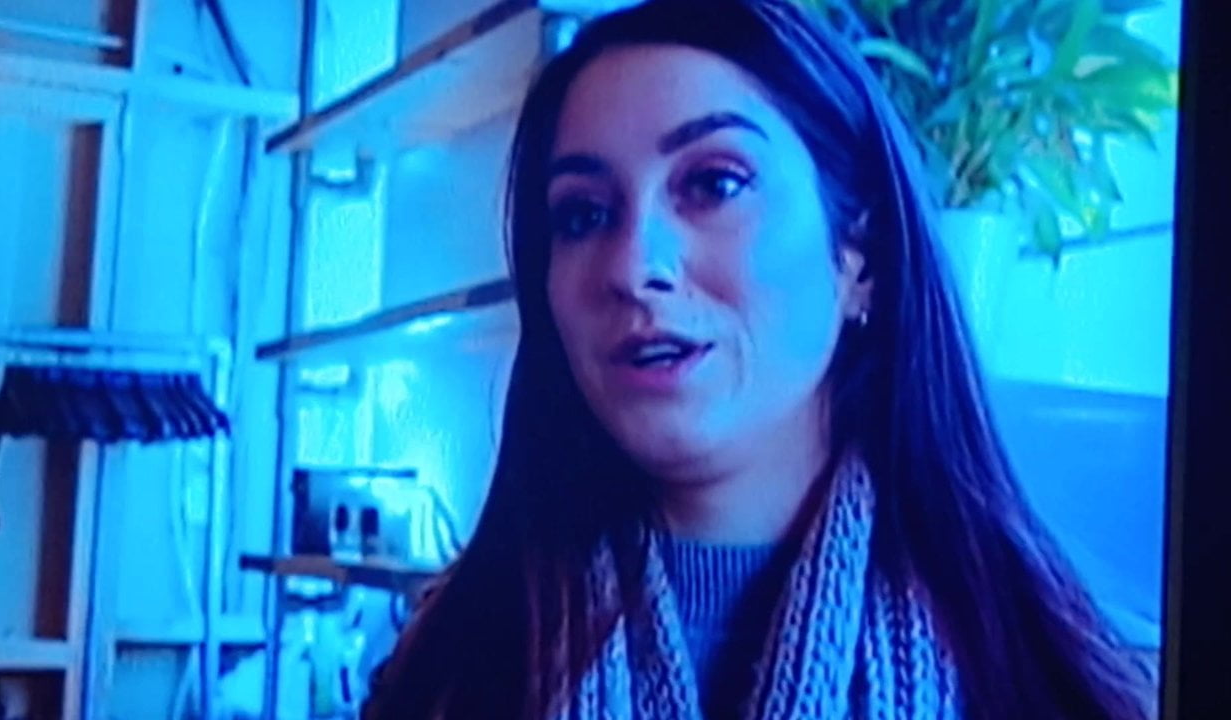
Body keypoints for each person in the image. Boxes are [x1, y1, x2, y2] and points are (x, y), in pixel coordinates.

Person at [363, 1, 1157, 718]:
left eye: (714, 183)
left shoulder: (1047, 671)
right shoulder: (447, 668)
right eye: (583, 215)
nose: (634, 265)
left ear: (861, 257)